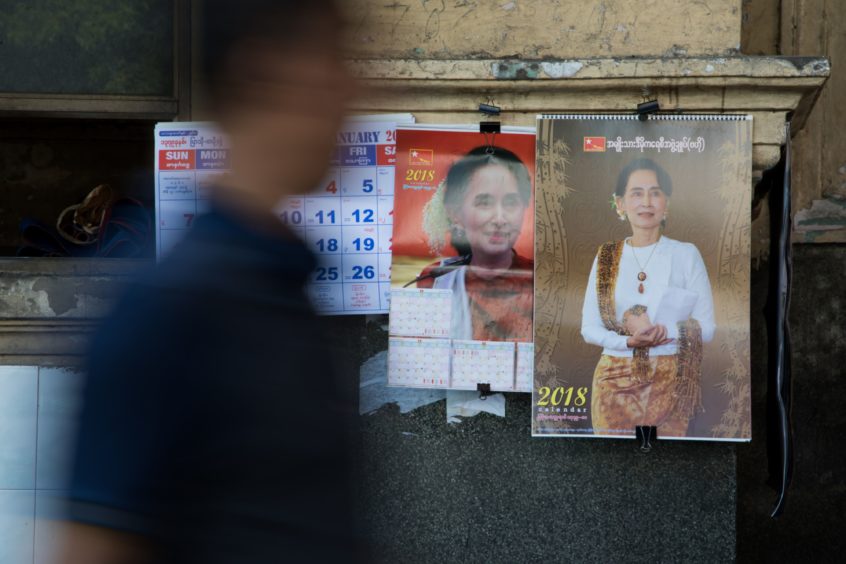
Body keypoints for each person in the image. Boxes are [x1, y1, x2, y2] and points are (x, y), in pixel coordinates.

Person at [59, 1, 362, 563]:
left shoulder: (282, 288)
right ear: (262, 71)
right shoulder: (169, 311)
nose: (350, 88)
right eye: (333, 56)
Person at [580, 157, 715, 437]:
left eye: (655, 193)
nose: (646, 202)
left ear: (667, 203)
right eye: (636, 193)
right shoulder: (606, 256)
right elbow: (589, 328)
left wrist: (669, 333)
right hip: (613, 380)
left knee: (665, 464)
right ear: (620, 204)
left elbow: (708, 327)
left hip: (671, 380)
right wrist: (628, 341)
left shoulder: (685, 254)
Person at [410, 146, 533, 342]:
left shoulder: (542, 281)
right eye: (484, 203)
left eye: (511, 203)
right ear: (455, 214)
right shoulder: (437, 281)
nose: (500, 218)